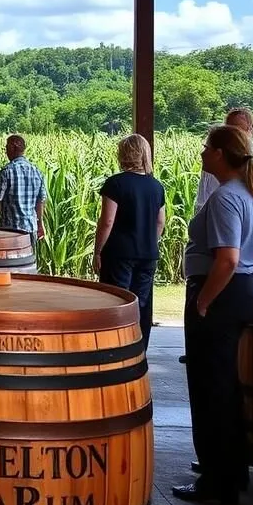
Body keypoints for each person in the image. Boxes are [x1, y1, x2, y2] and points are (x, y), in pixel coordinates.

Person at [172, 125, 253, 505]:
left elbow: (227, 259)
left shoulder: (226, 198)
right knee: (227, 386)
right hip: (241, 292)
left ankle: (216, 481)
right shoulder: (252, 194)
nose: (203, 153)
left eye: (208, 147)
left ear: (223, 154)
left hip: (220, 293)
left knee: (210, 388)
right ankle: (233, 472)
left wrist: (204, 301)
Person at [92, 134, 166, 348]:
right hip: (148, 254)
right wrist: (150, 243)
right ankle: (137, 348)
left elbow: (107, 221)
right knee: (140, 304)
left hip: (119, 253)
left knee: (116, 302)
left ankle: (115, 347)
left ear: (123, 154)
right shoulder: (156, 186)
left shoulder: (115, 184)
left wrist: (98, 251)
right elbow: (160, 222)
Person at [195, 107, 253, 213]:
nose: (231, 134)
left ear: (251, 129)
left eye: (237, 129)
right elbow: (202, 199)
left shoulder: (225, 198)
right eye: (228, 128)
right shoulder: (213, 162)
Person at [0, 134, 47, 241]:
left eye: (7, 148)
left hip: (9, 230)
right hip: (30, 229)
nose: (6, 152)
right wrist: (40, 223)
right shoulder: (37, 172)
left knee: (11, 258)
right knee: (30, 257)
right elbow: (41, 201)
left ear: (14, 147)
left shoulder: (6, 171)